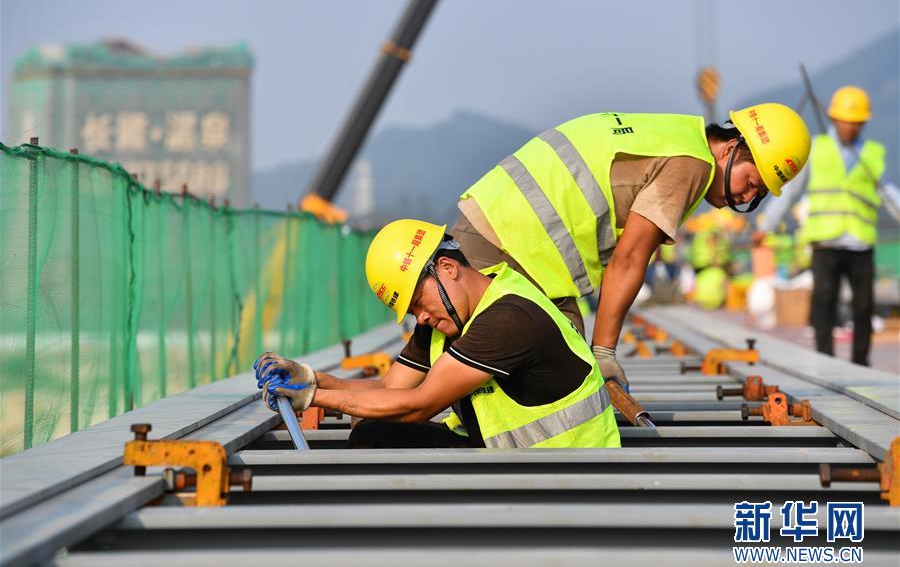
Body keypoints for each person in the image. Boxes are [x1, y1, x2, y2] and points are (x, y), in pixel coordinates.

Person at [448, 104, 811, 387]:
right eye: (750, 181)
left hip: (503, 232)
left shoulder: (677, 134)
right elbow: (631, 257)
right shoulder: (693, 164)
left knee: (559, 368)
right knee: (562, 377)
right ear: (731, 147)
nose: (743, 196)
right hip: (510, 245)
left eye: (756, 197)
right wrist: (604, 352)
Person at [255, 219, 621, 449]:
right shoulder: (442, 319)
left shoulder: (508, 317)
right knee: (374, 432)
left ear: (447, 268)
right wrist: (314, 378)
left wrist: (316, 398)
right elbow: (389, 390)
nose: (421, 318)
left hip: (569, 476)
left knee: (379, 432)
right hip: (513, 465)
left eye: (418, 303)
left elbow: (419, 405)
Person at [754, 87, 886, 365]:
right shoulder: (817, 148)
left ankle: (861, 364)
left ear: (863, 122)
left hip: (860, 241)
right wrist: (766, 226)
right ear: (834, 119)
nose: (849, 126)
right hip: (825, 242)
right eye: (844, 120)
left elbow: (888, 192)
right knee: (823, 303)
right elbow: (790, 192)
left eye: (855, 121)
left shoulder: (873, 153)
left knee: (863, 308)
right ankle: (826, 361)